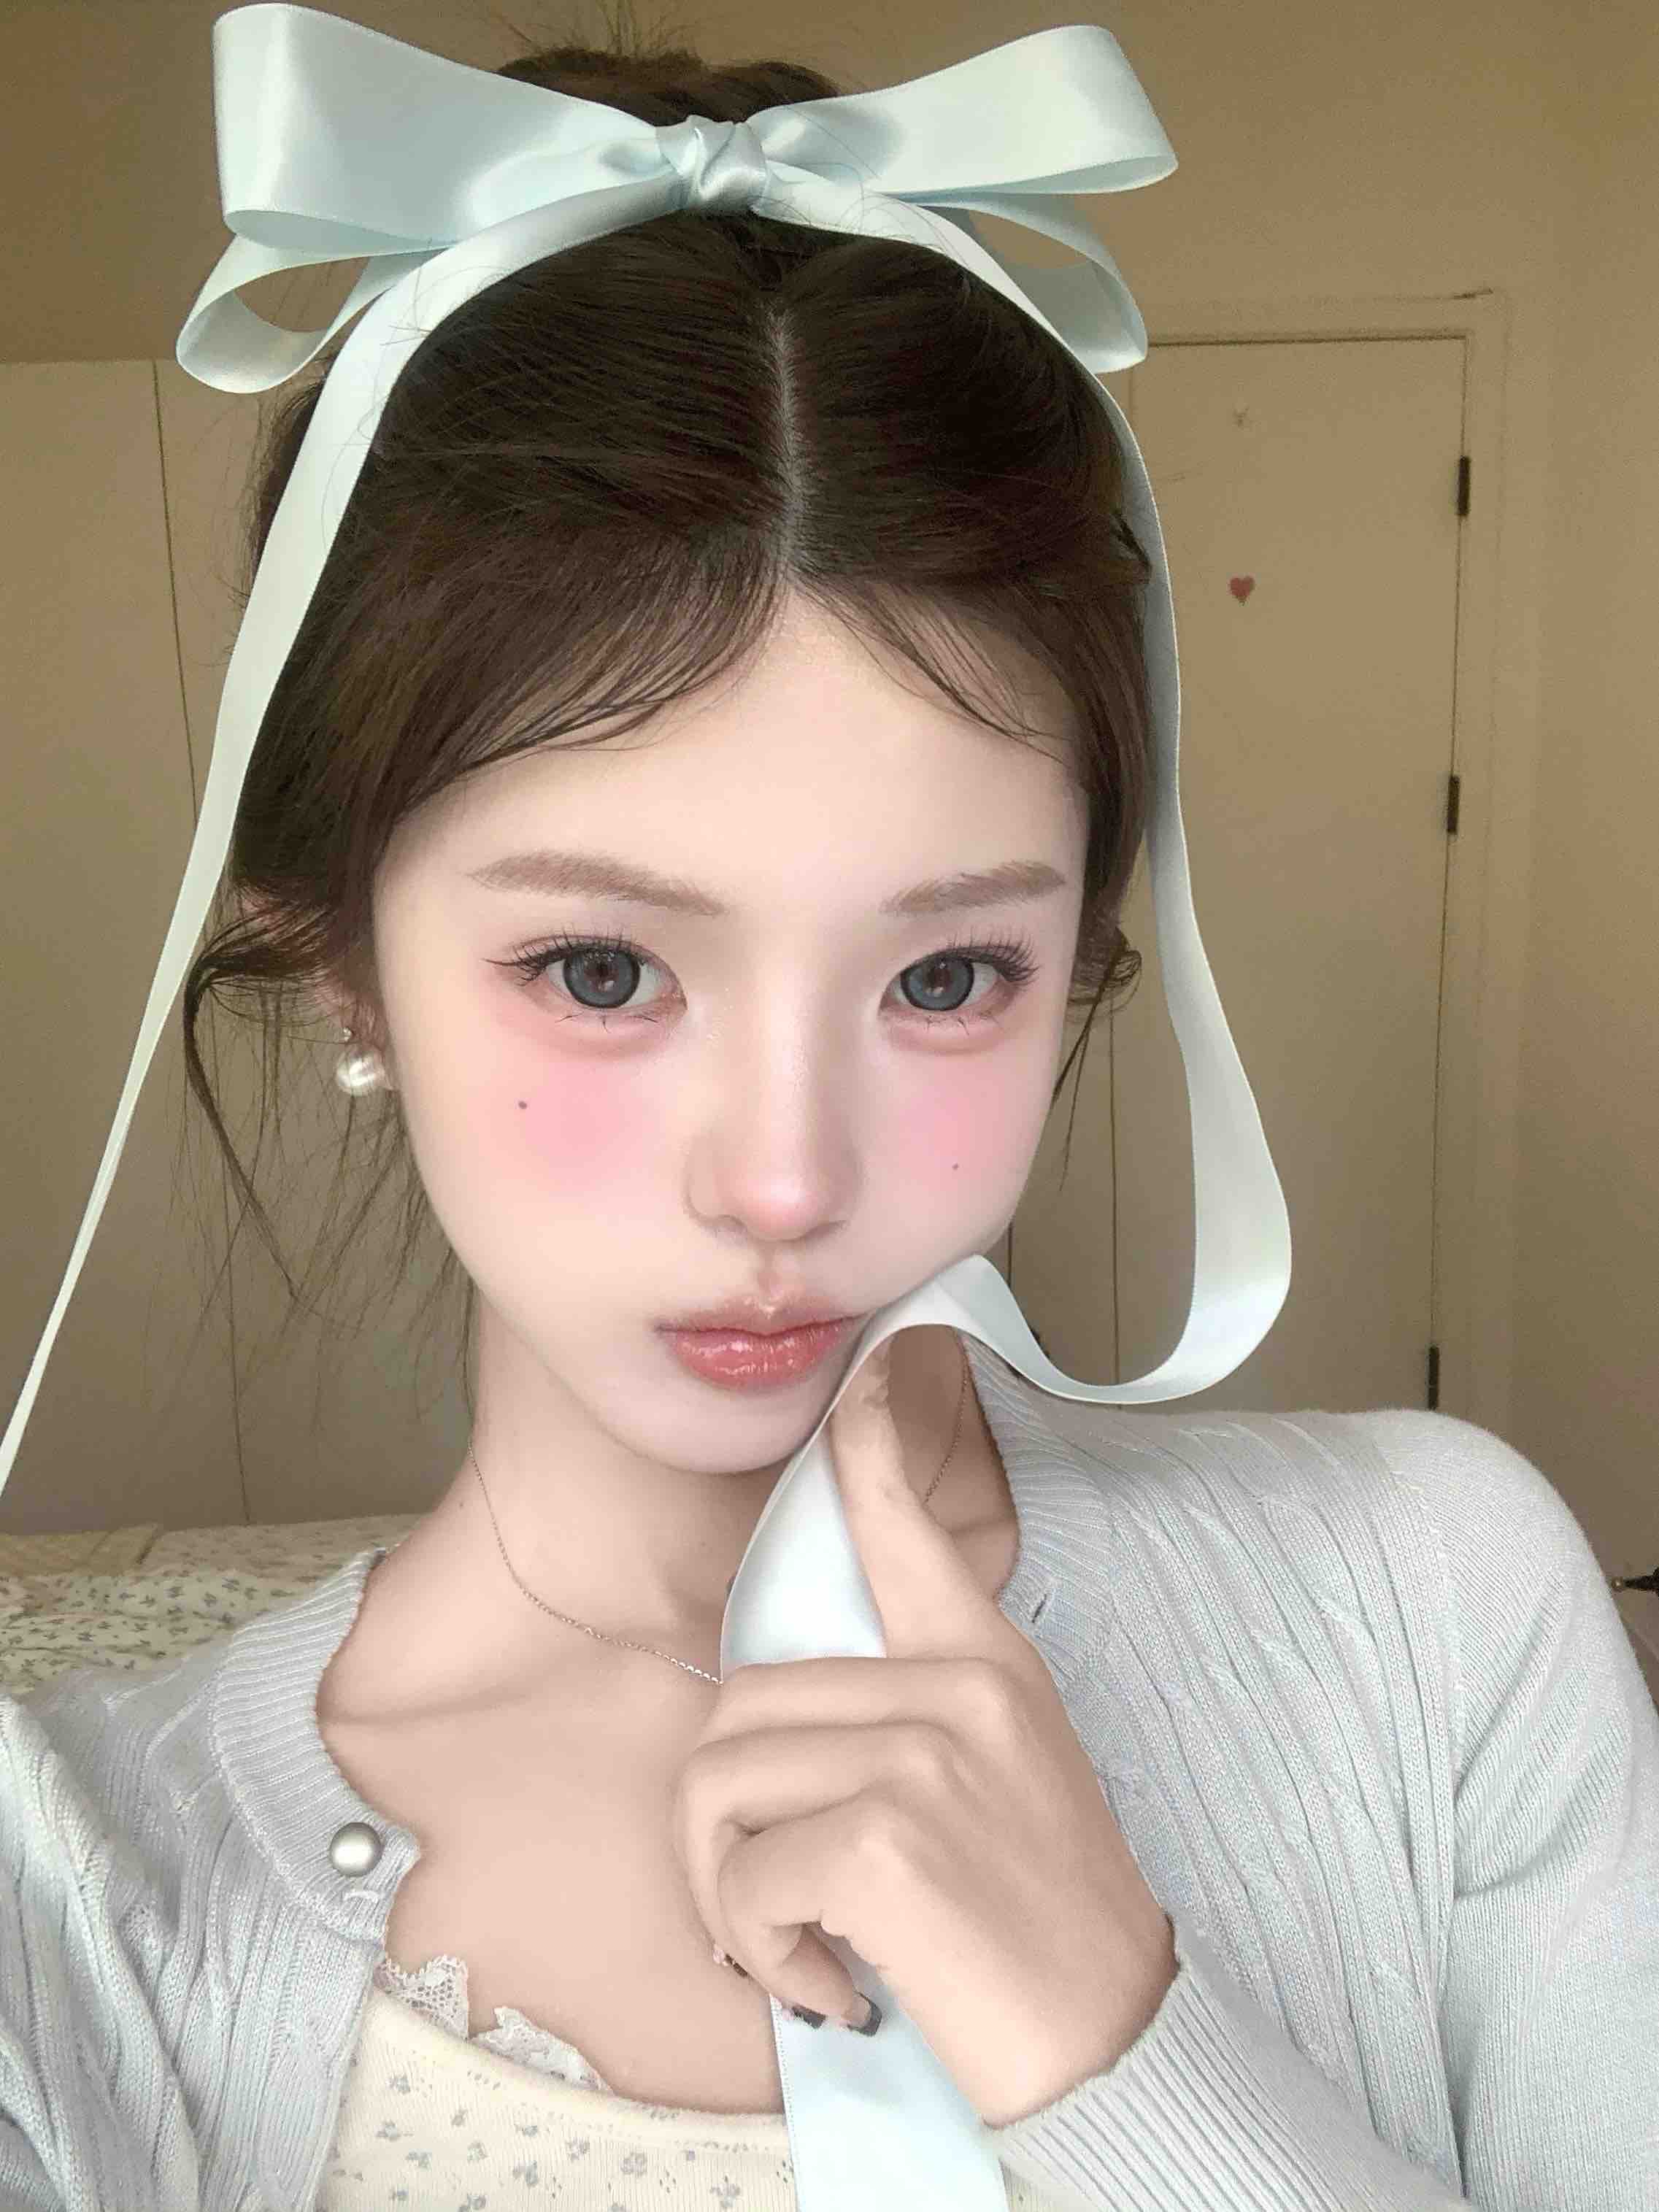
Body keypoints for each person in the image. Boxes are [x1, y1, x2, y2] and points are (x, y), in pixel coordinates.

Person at [2, 12, 1656, 2212]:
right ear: (337, 957)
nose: (785, 1178)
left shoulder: (1439, 1611)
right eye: (603, 971)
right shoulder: (71, 1891)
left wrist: (1112, 2043)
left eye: (945, 976)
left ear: (1086, 955)